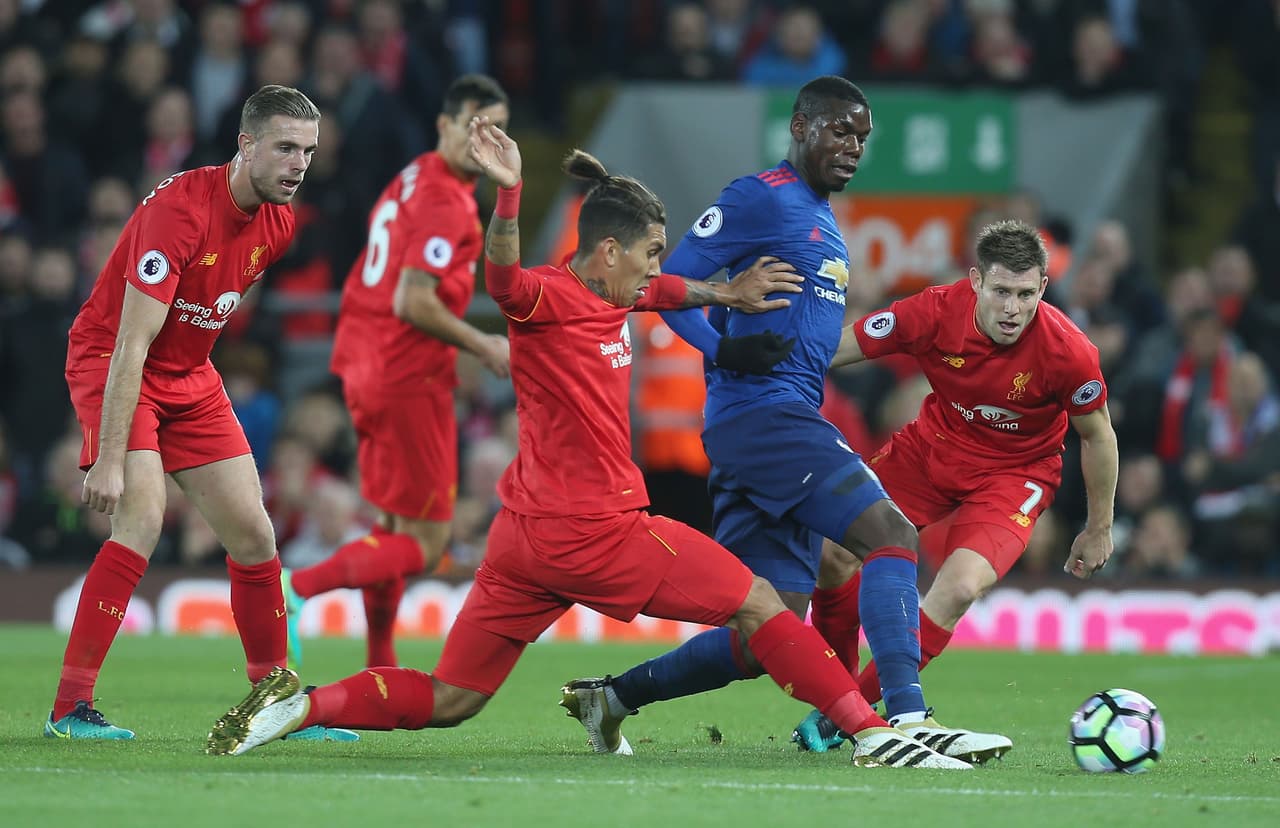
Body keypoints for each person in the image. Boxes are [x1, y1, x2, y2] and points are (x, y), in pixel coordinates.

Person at [204, 117, 970, 770]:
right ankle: (875, 734)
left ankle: (299, 708)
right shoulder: (543, 298)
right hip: (597, 528)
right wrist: (508, 193)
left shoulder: (618, 293)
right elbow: (500, 281)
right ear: (607, 252)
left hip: (523, 540)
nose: (657, 269)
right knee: (760, 603)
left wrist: (722, 293)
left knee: (451, 699)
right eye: (648, 253)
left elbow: (666, 290)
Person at [561, 75, 1009, 764]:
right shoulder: (761, 197)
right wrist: (727, 345)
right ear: (800, 127)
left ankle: (612, 698)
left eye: (862, 137)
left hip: (767, 426)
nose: (852, 147)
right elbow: (660, 286)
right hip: (764, 419)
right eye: (839, 131)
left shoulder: (823, 220)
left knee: (764, 631)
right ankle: (909, 718)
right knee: (890, 534)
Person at [49, 85, 350, 744]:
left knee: (255, 535)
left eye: (308, 150)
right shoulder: (179, 213)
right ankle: (69, 709)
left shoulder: (278, 222)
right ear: (245, 145)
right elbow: (131, 342)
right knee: (143, 517)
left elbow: (207, 309)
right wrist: (106, 457)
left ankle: (274, 702)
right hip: (118, 362)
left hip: (189, 375)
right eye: (285, 148)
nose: (298, 163)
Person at [792, 218, 1116, 751]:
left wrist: (1099, 527)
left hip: (1017, 473)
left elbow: (1099, 437)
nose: (1013, 309)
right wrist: (766, 373)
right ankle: (837, 693)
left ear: (1043, 289)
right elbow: (838, 349)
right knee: (832, 556)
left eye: (1026, 294)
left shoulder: (1069, 352)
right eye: (1002, 292)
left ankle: (847, 709)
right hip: (932, 449)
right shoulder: (932, 311)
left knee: (960, 586)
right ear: (975, 282)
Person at [280, 75, 512, 671]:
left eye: (498, 130)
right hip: (408, 376)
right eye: (474, 126)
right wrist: (481, 344)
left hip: (364, 363)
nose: (485, 141)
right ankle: (297, 587)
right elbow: (414, 300)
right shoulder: (446, 201)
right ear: (444, 125)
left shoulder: (416, 176)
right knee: (426, 543)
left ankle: (380, 661)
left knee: (390, 525)